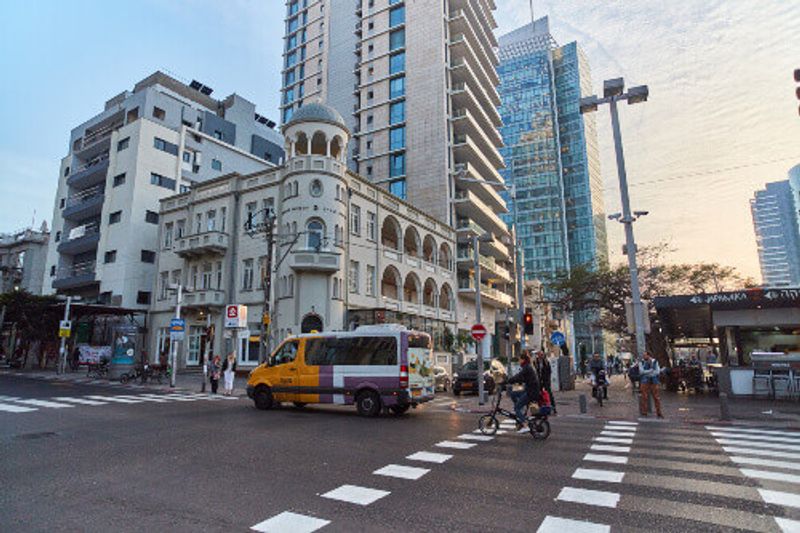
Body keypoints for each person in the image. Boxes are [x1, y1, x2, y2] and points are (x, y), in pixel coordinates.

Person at [506, 351, 540, 430]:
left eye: (519, 359)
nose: (519, 361)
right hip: (530, 389)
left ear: (523, 360)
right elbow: (522, 378)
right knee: (513, 394)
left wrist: (508, 381)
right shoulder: (527, 366)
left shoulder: (527, 367)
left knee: (516, 408)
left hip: (531, 392)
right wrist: (516, 381)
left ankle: (525, 424)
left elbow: (519, 376)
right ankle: (521, 409)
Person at [638, 351, 663, 418]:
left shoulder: (655, 362)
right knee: (644, 397)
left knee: (656, 397)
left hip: (653, 381)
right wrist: (651, 370)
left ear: (649, 355)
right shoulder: (641, 362)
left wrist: (647, 373)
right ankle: (644, 412)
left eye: (645, 355)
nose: (643, 356)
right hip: (645, 381)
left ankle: (659, 412)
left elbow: (657, 372)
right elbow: (641, 372)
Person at [533, 350, 557, 415]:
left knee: (549, 394)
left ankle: (553, 408)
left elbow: (549, 371)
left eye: (541, 354)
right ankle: (539, 408)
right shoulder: (535, 362)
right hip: (539, 381)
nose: (540, 356)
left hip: (545, 380)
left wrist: (547, 380)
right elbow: (535, 371)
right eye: (539, 354)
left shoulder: (546, 362)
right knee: (538, 394)